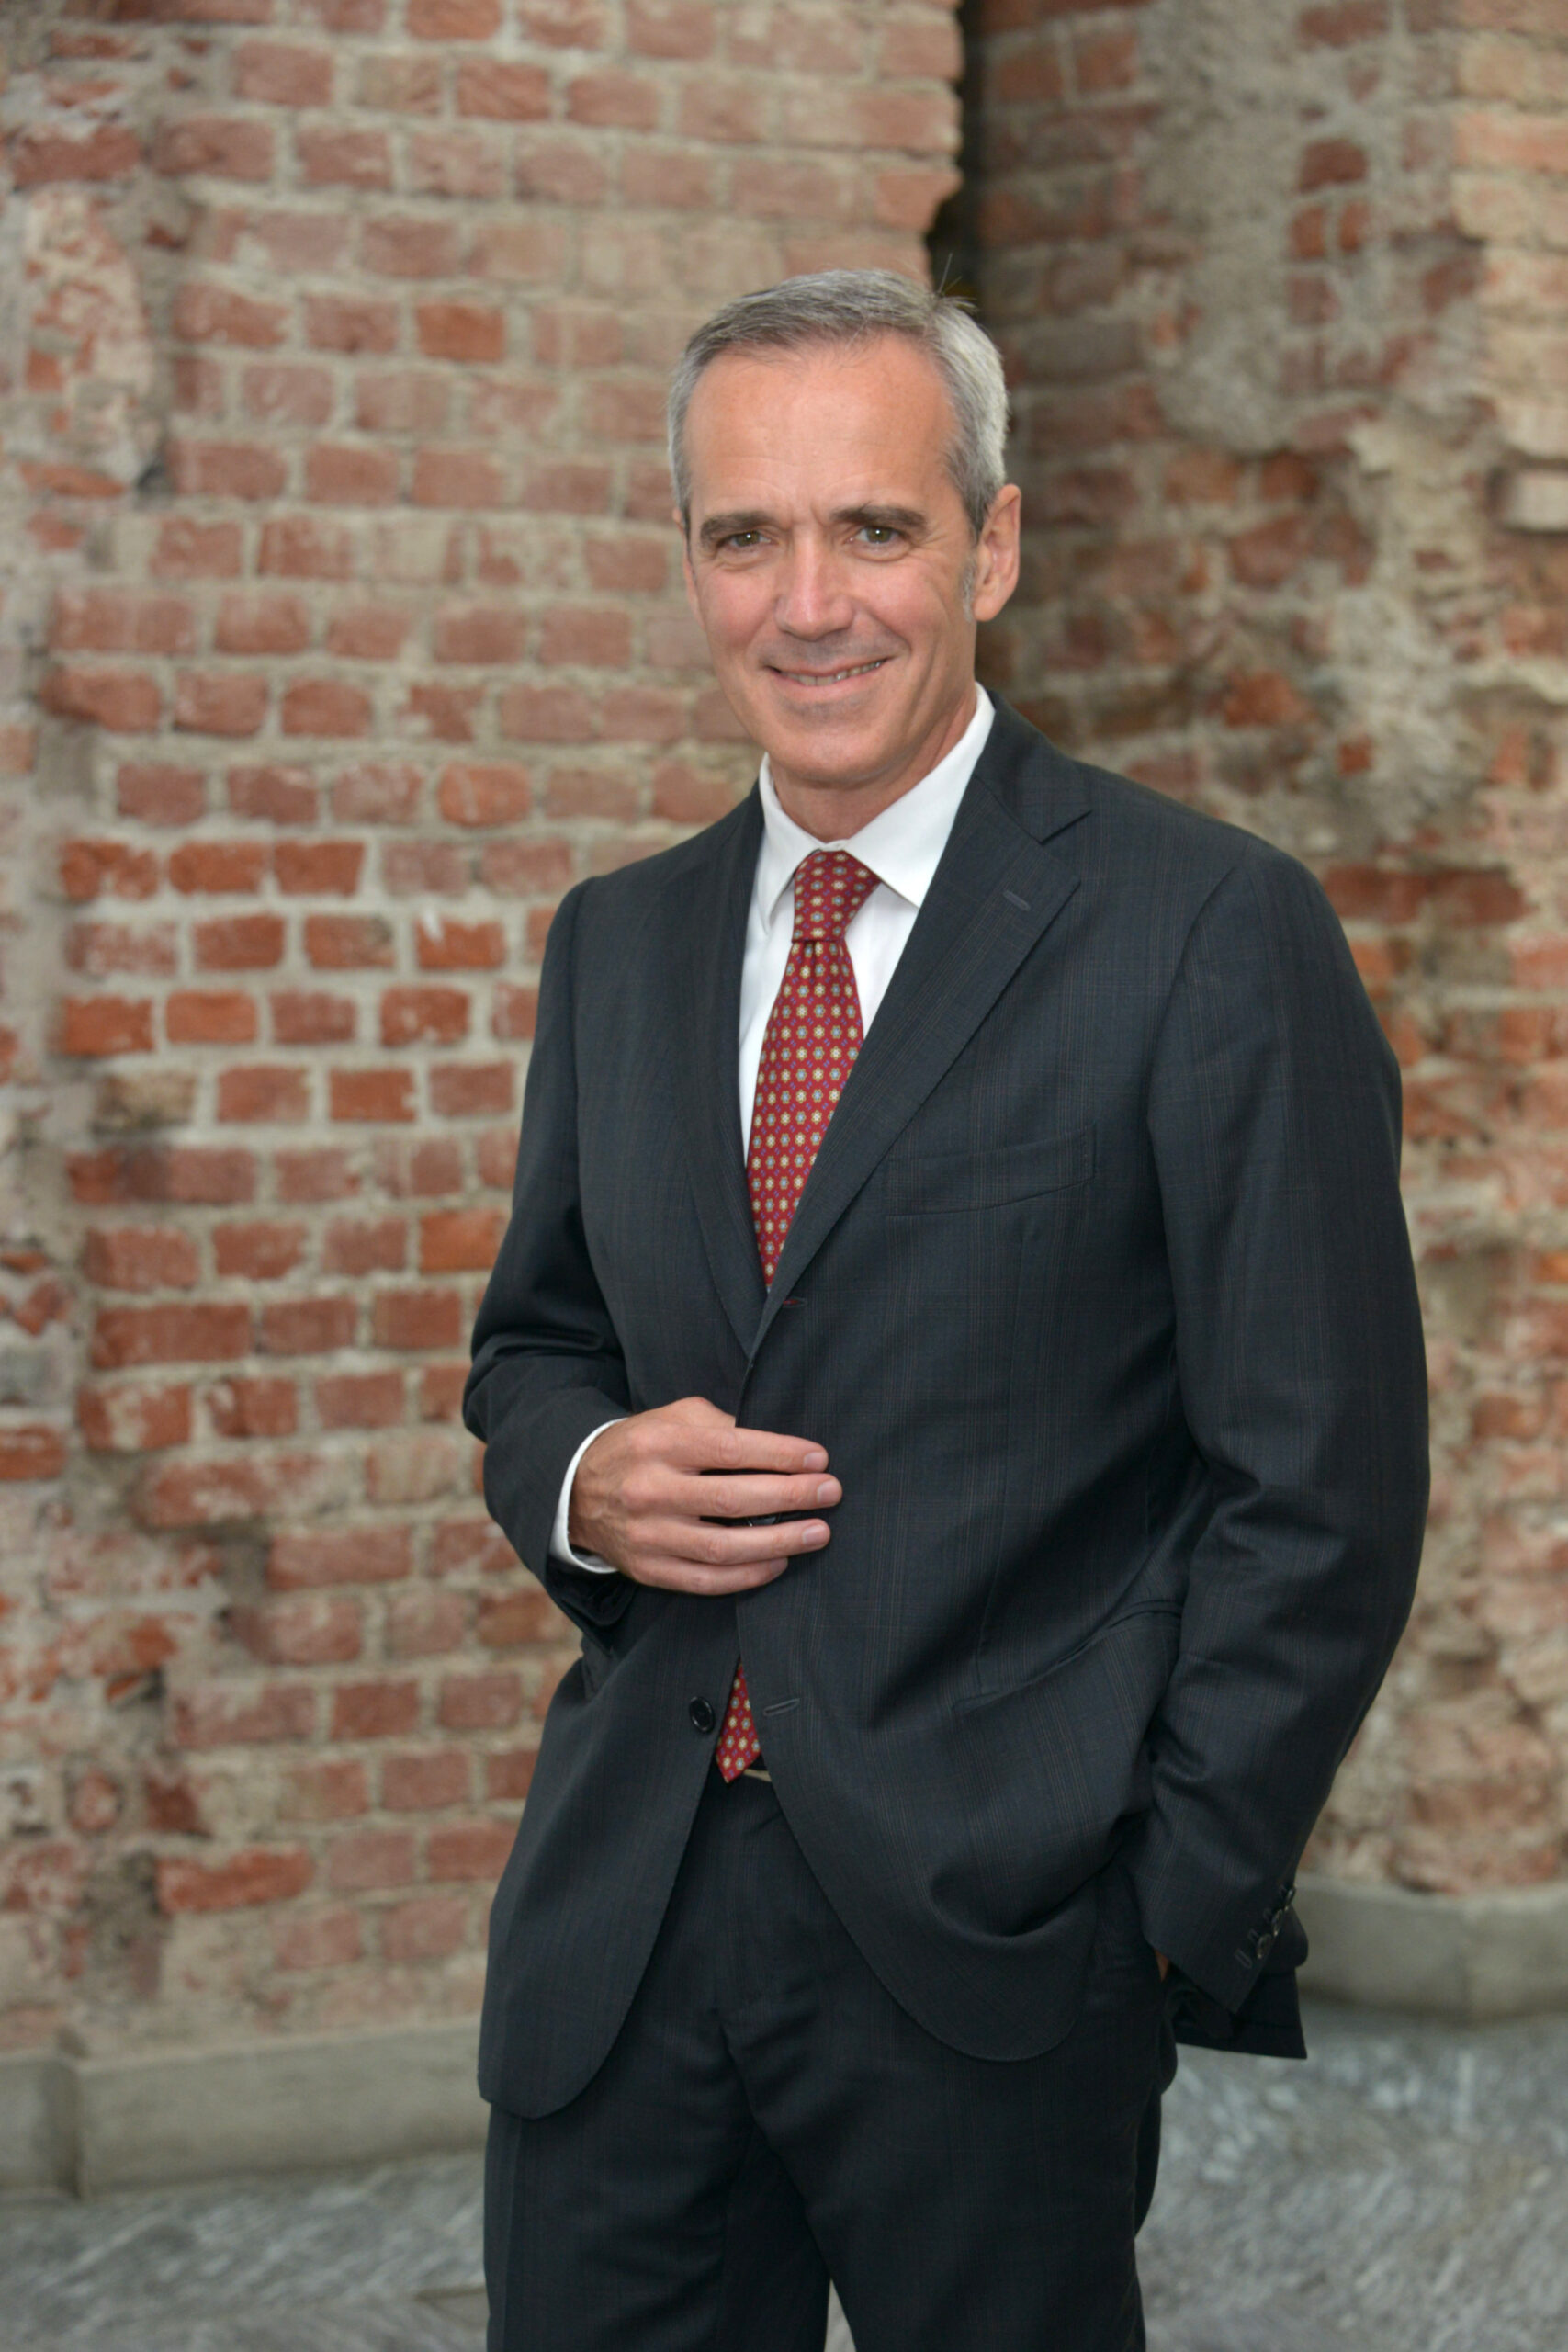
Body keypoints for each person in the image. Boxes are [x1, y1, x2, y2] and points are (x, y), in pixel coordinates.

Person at [463, 269, 1428, 2352]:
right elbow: (531, 1348)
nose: (807, 604)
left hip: (1005, 1956)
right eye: (745, 535)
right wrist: (582, 1473)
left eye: (873, 529)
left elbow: (1322, 1486)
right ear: (690, 565)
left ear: (989, 547)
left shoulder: (1205, 929)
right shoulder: (615, 942)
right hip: (619, 1934)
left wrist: (1157, 1913)